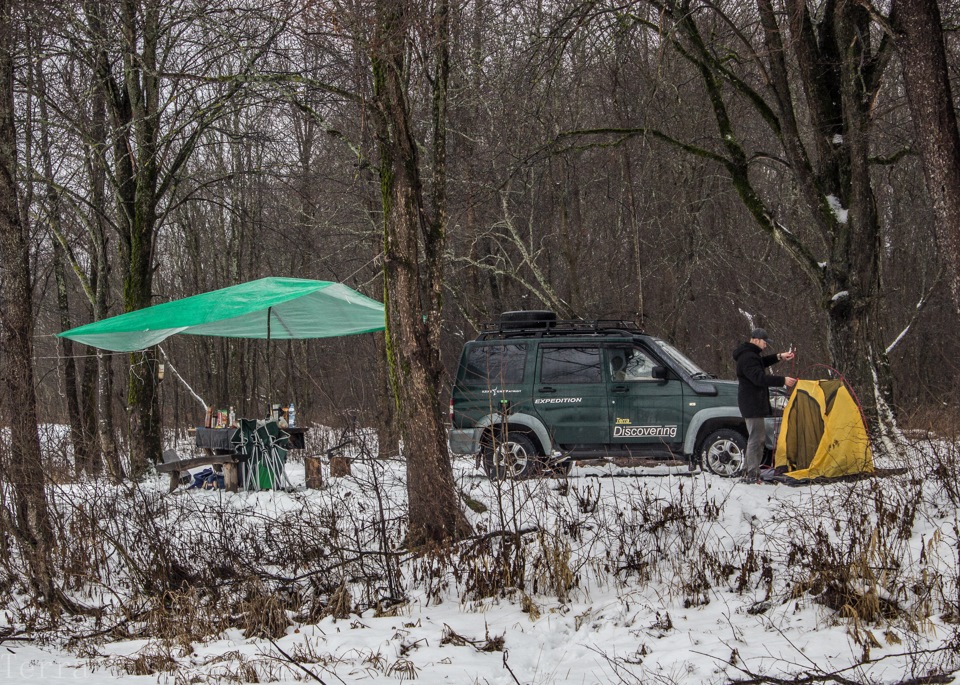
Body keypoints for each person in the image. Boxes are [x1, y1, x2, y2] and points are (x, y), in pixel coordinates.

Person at [732, 328, 796, 483]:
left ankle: (748, 471)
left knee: (755, 438)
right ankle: (752, 474)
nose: (766, 345)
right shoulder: (748, 357)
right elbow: (758, 378)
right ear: (756, 340)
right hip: (752, 404)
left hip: (752, 403)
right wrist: (782, 381)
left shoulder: (750, 355)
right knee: (757, 439)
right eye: (765, 342)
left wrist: (780, 357)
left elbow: (761, 363)